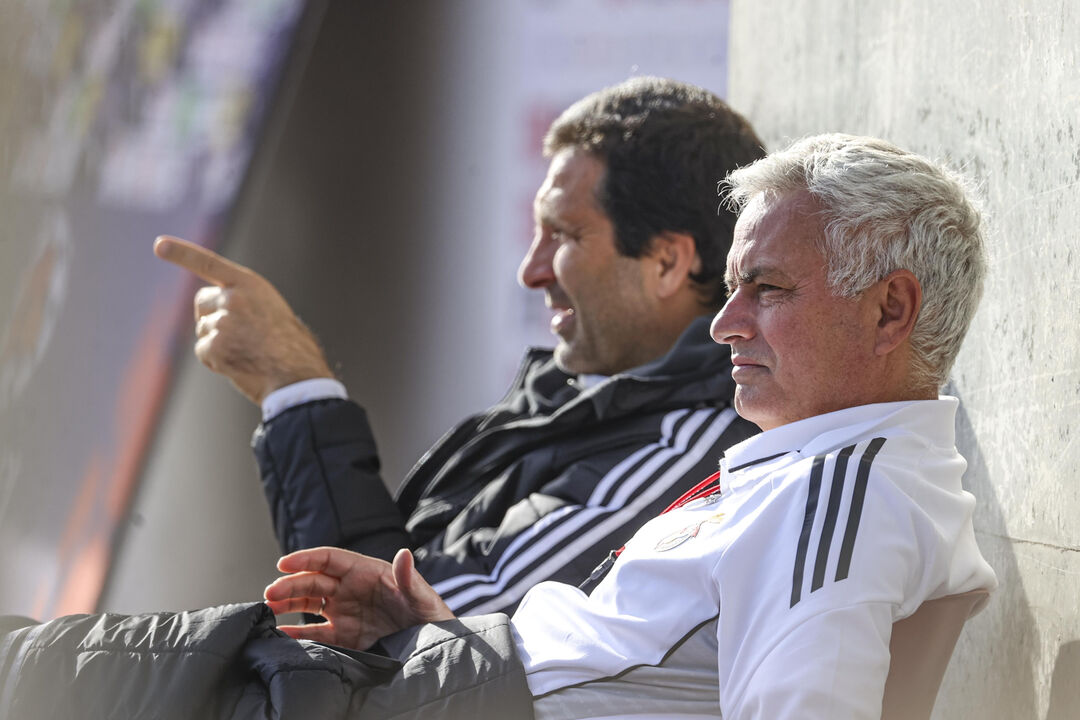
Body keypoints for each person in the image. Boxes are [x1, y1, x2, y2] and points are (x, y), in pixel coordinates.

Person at [0, 134, 997, 720]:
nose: (726, 323)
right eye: (733, 288)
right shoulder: (821, 466)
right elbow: (623, 664)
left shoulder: (839, 490)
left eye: (767, 290)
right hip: (418, 673)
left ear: (890, 310)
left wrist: (297, 389)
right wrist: (434, 626)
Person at [154, 76, 767, 615]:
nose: (531, 271)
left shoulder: (692, 446)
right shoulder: (581, 395)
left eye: (564, 235)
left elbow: (401, 643)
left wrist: (295, 387)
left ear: (667, 262)